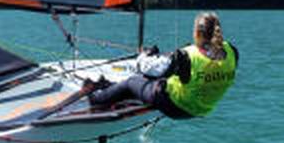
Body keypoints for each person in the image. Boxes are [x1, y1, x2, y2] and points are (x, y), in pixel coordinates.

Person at [86, 12, 238, 119]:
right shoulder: (232, 52)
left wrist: (145, 55)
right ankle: (111, 87)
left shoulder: (187, 55)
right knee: (147, 83)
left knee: (132, 81)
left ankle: (96, 99)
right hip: (202, 109)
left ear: (197, 33)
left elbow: (149, 69)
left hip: (175, 106)